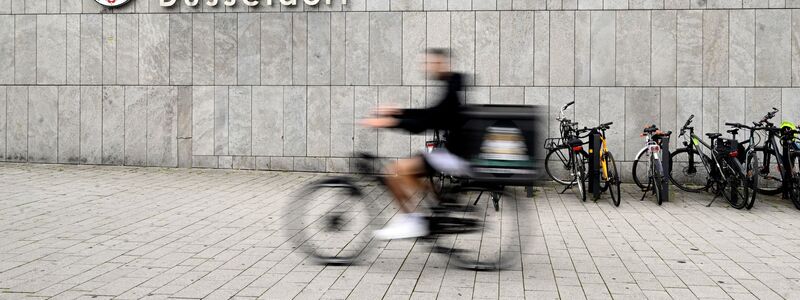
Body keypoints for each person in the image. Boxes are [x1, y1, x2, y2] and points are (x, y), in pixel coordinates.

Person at [360, 49, 470, 240]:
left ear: (443, 64)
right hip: (451, 150)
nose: (428, 67)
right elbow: (430, 114)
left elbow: (426, 122)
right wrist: (398, 112)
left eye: (432, 63)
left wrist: (392, 121)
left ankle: (412, 220)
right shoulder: (451, 84)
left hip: (454, 154)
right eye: (427, 64)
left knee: (393, 172)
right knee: (407, 172)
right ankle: (435, 198)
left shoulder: (451, 89)